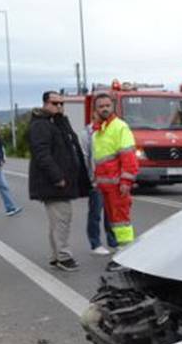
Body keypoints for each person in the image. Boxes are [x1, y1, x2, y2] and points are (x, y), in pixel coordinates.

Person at [28, 90, 90, 271]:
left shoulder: (57, 123)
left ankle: (57, 256)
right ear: (45, 104)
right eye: (55, 103)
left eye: (62, 103)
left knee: (58, 220)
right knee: (62, 219)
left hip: (63, 181)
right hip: (53, 183)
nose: (60, 107)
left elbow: (71, 145)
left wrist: (62, 119)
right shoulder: (40, 125)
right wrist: (57, 177)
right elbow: (42, 155)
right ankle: (63, 256)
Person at [91, 92, 138, 264]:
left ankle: (128, 256)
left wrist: (126, 181)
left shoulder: (119, 127)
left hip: (118, 185)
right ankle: (122, 252)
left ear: (113, 107)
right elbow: (100, 160)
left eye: (107, 106)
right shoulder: (98, 131)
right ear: (95, 109)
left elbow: (129, 157)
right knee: (114, 222)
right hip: (106, 187)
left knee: (121, 221)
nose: (104, 109)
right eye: (100, 106)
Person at [80, 106, 117, 255]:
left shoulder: (110, 130)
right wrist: (90, 178)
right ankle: (95, 243)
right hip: (96, 180)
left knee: (111, 213)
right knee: (95, 212)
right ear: (93, 113)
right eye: (99, 110)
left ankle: (113, 241)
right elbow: (84, 157)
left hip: (111, 179)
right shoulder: (87, 133)